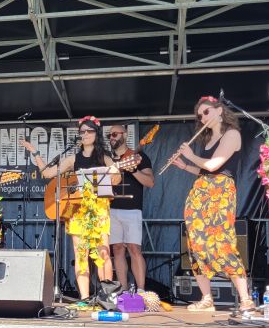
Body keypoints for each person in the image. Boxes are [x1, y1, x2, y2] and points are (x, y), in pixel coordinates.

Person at [21, 116, 121, 301]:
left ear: (96, 133)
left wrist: (115, 172)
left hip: (99, 210)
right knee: (81, 253)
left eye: (89, 131)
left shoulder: (105, 158)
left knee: (103, 251)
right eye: (82, 132)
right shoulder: (72, 159)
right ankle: (84, 297)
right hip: (77, 210)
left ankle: (107, 297)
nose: (85, 134)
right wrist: (35, 153)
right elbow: (47, 173)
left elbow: (117, 180)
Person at [169, 96, 254, 312]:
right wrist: (184, 165)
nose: (203, 117)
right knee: (196, 245)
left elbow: (215, 165)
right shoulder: (207, 140)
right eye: (200, 115)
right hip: (200, 191)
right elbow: (204, 171)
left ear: (219, 110)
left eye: (206, 112)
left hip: (220, 192)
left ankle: (246, 299)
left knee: (223, 241)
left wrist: (190, 155)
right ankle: (207, 299)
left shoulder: (232, 134)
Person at [108, 123, 154, 292]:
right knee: (117, 249)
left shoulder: (139, 156)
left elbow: (150, 182)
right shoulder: (107, 159)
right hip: (111, 209)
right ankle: (123, 290)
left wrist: (134, 170)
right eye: (109, 136)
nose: (111, 138)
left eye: (114, 134)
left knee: (134, 248)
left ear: (124, 134)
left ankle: (141, 290)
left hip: (132, 208)